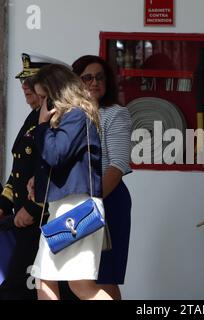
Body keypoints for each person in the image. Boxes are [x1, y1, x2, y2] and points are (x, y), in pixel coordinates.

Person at [30, 64, 112, 300]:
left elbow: (56, 154)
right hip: (69, 207)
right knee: (49, 277)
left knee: (76, 284)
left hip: (74, 209)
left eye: (45, 97)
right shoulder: (75, 117)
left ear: (57, 93)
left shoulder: (76, 116)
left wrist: (43, 125)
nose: (42, 103)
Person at [0, 53, 66, 300]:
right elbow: (20, 170)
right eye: (24, 83)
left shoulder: (55, 119)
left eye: (32, 82)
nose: (25, 88)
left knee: (18, 289)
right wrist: (4, 203)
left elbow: (50, 167)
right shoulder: (34, 116)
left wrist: (32, 207)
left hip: (42, 219)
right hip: (24, 219)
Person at [72, 55, 132, 300]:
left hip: (106, 199)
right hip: (77, 201)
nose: (94, 82)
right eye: (87, 77)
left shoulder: (115, 114)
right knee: (75, 276)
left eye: (99, 77)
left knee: (102, 276)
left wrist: (91, 204)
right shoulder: (72, 115)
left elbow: (117, 167)